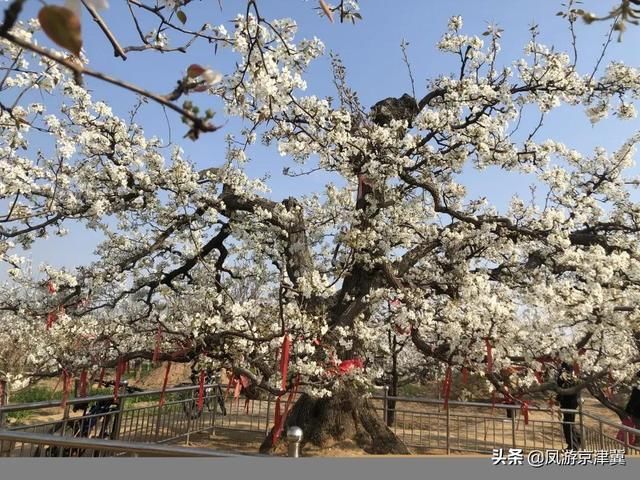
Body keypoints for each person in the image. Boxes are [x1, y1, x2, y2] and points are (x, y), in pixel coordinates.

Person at [556, 362, 582, 450]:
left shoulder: (567, 374)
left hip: (569, 401)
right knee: (569, 422)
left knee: (568, 423)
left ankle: (573, 446)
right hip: (570, 401)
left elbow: (561, 384)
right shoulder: (572, 373)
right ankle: (577, 441)